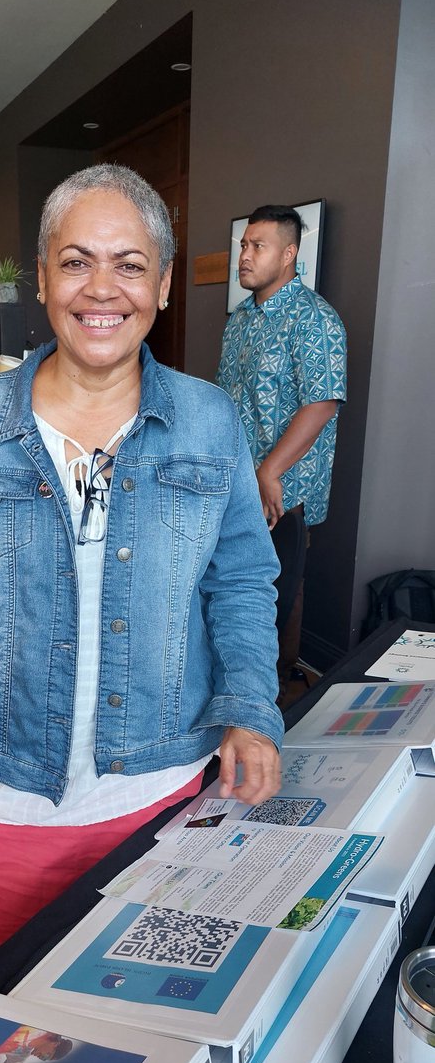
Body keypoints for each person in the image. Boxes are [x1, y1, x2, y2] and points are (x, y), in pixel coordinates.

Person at [0, 164, 283, 979]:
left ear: (165, 284)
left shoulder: (210, 420)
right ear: (40, 278)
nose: (101, 289)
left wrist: (250, 709)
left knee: (149, 1015)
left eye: (130, 264)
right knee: (5, 1040)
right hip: (4, 809)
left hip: (166, 798)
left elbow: (241, 581)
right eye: (75, 262)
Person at [217, 204, 347, 702]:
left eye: (257, 247)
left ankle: (267, 703)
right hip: (238, 480)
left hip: (282, 493)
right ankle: (235, 689)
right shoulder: (243, 318)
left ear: (289, 253)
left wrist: (270, 470)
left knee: (277, 596)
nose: (244, 256)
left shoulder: (314, 319)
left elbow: (323, 401)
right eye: (243, 245)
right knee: (239, 591)